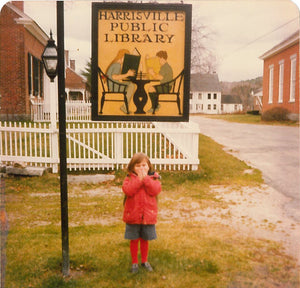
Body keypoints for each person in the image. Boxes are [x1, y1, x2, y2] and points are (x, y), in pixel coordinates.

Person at [122, 153, 161, 273]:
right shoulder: (129, 179)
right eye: (138, 166)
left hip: (148, 216)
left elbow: (155, 190)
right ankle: (134, 262)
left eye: (144, 165)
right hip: (133, 215)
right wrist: (139, 180)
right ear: (132, 167)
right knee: (134, 239)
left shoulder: (154, 178)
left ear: (149, 166)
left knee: (145, 239)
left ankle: (144, 261)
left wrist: (146, 180)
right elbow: (129, 191)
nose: (141, 168)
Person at [106, 49, 136, 114]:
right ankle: (124, 107)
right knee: (132, 85)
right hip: (114, 86)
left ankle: (125, 106)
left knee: (130, 84)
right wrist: (128, 74)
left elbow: (116, 76)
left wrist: (126, 75)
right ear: (122, 56)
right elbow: (114, 77)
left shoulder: (116, 63)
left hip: (112, 85)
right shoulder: (117, 65)